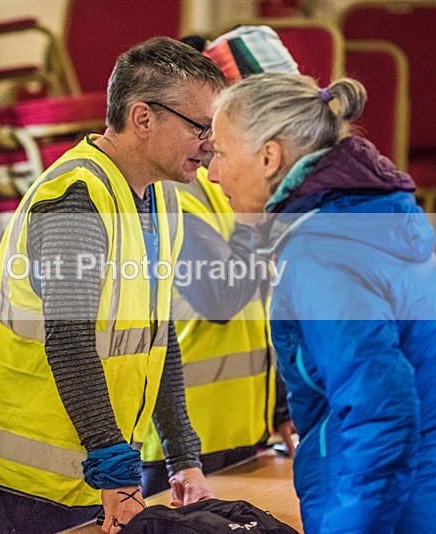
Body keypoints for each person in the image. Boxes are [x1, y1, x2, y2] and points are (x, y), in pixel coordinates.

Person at [0, 37, 227, 533]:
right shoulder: (75, 198)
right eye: (200, 127)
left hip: (85, 466)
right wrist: (116, 473)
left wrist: (182, 458)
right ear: (143, 117)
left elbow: (157, 337)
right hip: (17, 473)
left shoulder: (162, 198)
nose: (210, 143)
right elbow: (70, 342)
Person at [209, 72, 436, 533]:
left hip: (397, 514)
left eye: (221, 153)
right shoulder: (362, 219)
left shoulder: (322, 251)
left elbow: (381, 415)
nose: (212, 172)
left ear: (269, 157)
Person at [141, 25, 298, 495]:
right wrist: (260, 217)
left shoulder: (249, 185)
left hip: (245, 433)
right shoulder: (175, 187)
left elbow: (262, 310)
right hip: (177, 451)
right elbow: (221, 295)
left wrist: (281, 407)